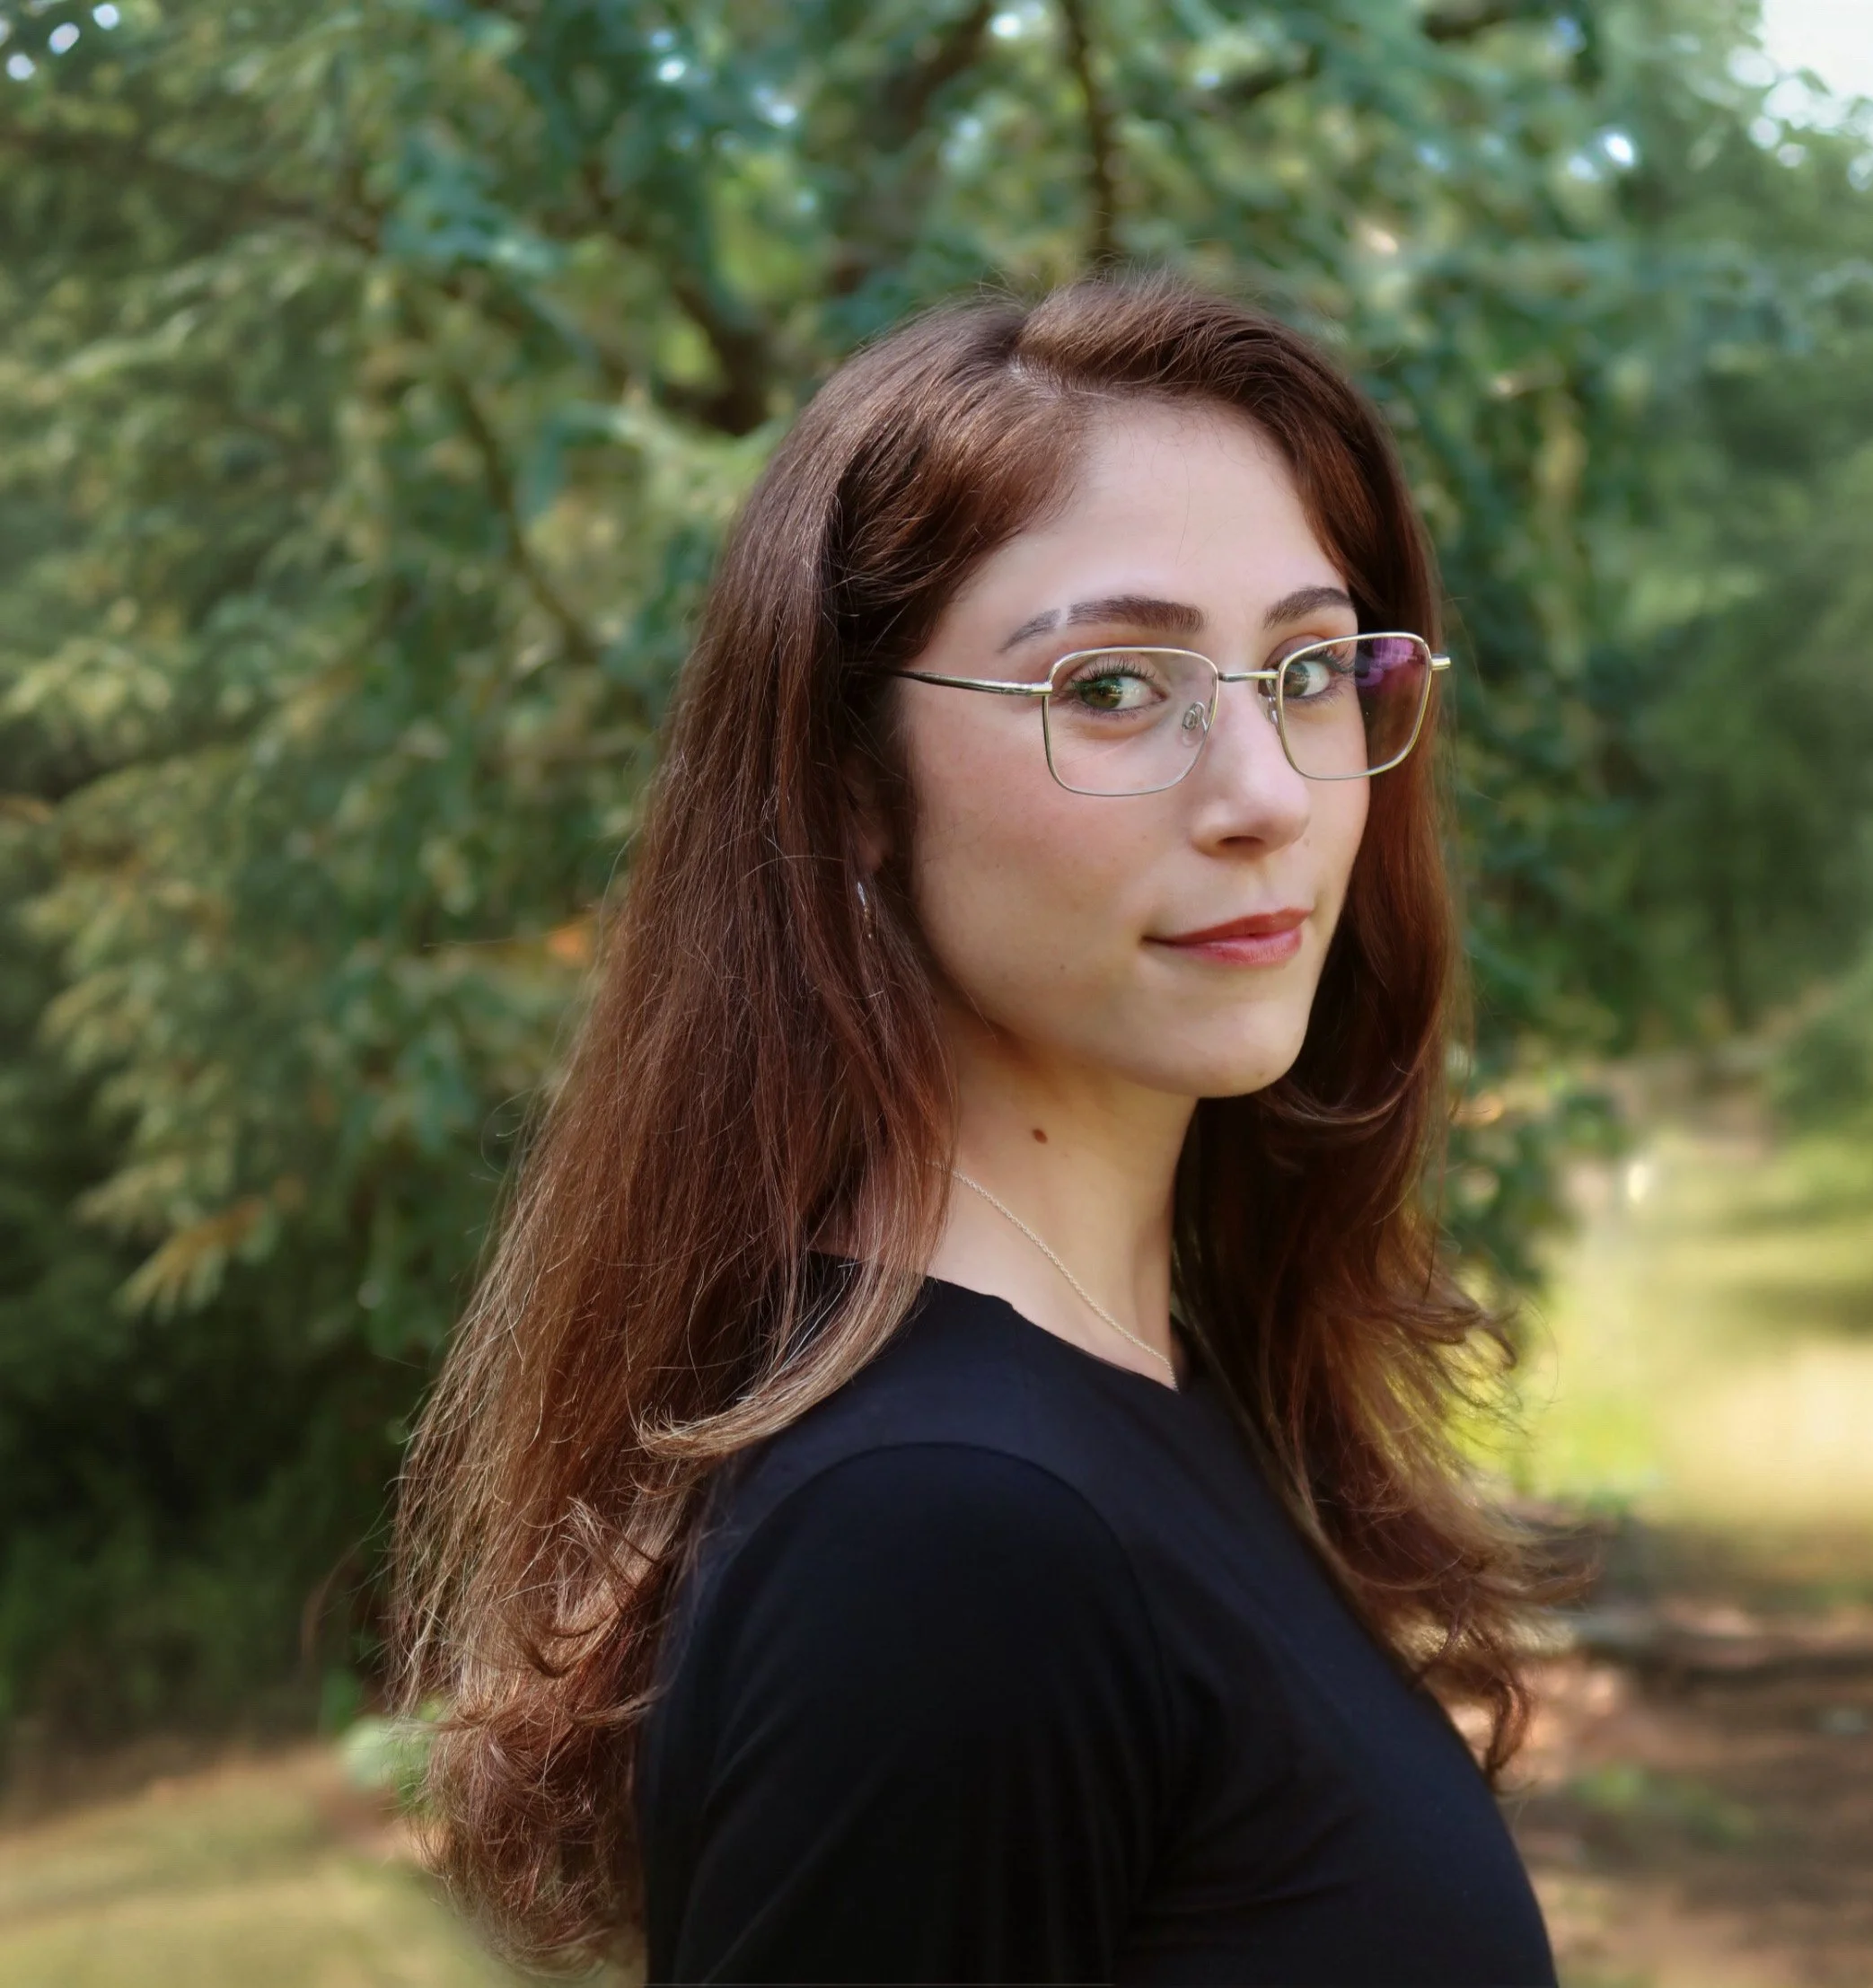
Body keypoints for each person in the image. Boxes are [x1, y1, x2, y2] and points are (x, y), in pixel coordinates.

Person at [392, 274, 1558, 1987]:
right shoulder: (949, 1535)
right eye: (1112, 687)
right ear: (854, 782)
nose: (1264, 794)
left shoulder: (1155, 1400)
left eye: (1308, 669)